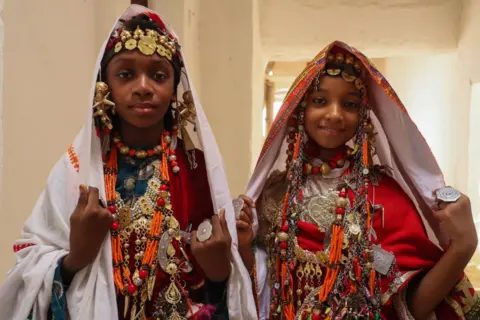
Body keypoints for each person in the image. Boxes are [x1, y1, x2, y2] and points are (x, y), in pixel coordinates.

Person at [0, 5, 256, 320]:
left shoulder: (196, 171)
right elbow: (27, 266)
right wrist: (75, 258)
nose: (144, 87)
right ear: (104, 86)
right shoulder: (76, 171)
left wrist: (219, 273)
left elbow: (223, 291)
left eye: (158, 75)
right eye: (126, 74)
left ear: (175, 88)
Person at [236, 41, 480, 319]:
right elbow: (261, 291)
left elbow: (412, 307)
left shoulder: (384, 197)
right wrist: (244, 246)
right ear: (300, 109)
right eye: (320, 100)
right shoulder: (275, 192)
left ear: (363, 116)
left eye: (350, 104)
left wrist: (464, 246)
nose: (335, 114)